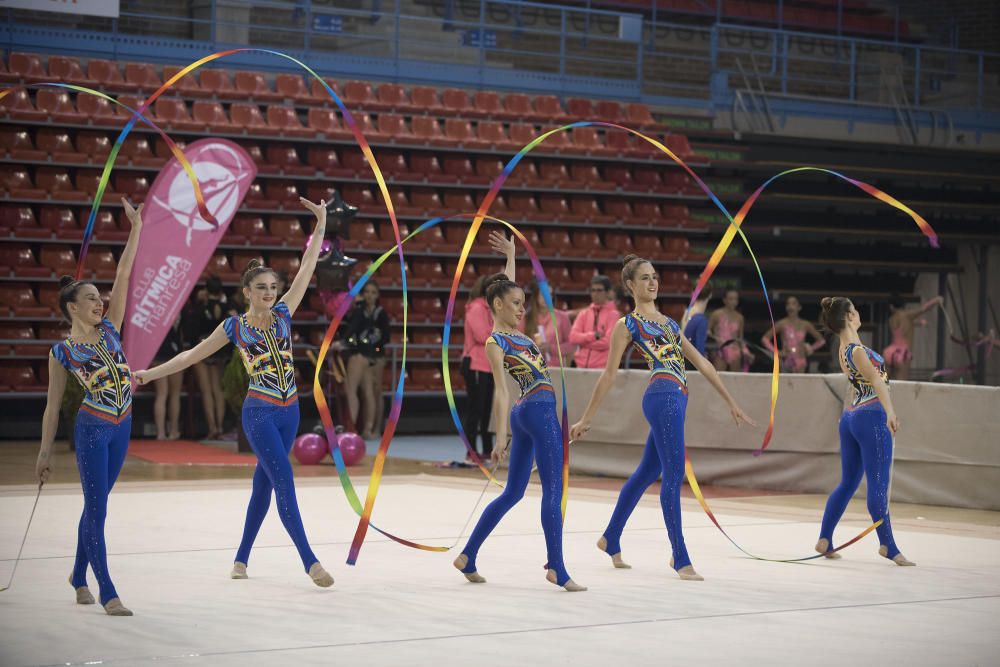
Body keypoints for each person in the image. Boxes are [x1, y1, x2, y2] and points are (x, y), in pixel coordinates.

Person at [134, 197, 336, 588]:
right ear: (246, 291)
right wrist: (148, 374)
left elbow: (308, 268)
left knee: (264, 484)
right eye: (261, 288)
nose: (269, 293)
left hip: (290, 411)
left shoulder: (283, 315)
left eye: (273, 287)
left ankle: (241, 558)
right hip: (259, 413)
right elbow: (191, 355)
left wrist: (322, 223)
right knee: (284, 480)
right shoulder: (234, 328)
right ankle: (310, 562)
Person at [570, 255, 755, 581]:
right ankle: (679, 556)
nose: (652, 282)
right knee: (672, 477)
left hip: (677, 397)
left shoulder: (670, 323)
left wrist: (731, 401)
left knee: (647, 472)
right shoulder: (627, 325)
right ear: (630, 286)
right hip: (662, 397)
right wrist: (586, 417)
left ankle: (610, 536)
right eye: (644, 278)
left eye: (655, 276)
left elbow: (702, 362)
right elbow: (608, 376)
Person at [35, 197, 144, 616]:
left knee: (97, 505)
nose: (101, 302)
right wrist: (45, 451)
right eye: (92, 299)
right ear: (72, 308)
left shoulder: (112, 327)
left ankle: (78, 574)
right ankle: (107, 590)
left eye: (101, 298)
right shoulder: (62, 351)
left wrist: (135, 229)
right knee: (97, 508)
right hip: (93, 428)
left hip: (123, 425)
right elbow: (50, 408)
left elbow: (124, 272)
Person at [453, 266, 586, 592]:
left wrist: (510, 257)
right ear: (497, 305)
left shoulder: (518, 335)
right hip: (537, 412)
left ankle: (468, 555)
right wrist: (498, 438)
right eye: (515, 303)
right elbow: (499, 390)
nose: (521, 308)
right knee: (553, 490)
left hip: (525, 413)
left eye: (522, 303)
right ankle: (556, 566)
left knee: (513, 492)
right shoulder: (496, 341)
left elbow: (503, 287)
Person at [815, 297, 914, 566]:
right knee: (878, 483)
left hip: (851, 417)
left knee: (848, 483)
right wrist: (891, 412)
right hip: (870, 416)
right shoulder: (857, 350)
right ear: (848, 316)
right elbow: (875, 381)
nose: (859, 315)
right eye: (855, 311)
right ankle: (888, 545)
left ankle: (824, 538)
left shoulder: (843, 348)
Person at [460, 231, 514, 462]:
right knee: (476, 409)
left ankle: (487, 447)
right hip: (475, 364)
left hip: (491, 364)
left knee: (489, 410)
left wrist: (511, 256)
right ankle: (471, 450)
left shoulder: (495, 310)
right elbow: (484, 334)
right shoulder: (476, 308)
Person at [343, 282, 390, 439]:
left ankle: (376, 428)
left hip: (377, 354)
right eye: (367, 292)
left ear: (378, 295)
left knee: (377, 391)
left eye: (373, 292)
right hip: (364, 354)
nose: (370, 295)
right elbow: (353, 333)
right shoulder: (360, 311)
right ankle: (366, 428)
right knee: (367, 390)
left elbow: (384, 339)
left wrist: (375, 353)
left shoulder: (380, 313)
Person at [188, 276, 230, 439]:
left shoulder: (199, 308)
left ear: (206, 290)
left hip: (203, 348)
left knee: (207, 391)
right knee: (218, 391)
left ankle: (212, 427)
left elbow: (192, 331)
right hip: (220, 350)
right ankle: (219, 427)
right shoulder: (227, 307)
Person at [883, 294, 944, 381]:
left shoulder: (891, 319)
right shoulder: (906, 315)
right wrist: (936, 300)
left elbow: (904, 326)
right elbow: (923, 309)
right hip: (902, 354)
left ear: (891, 306)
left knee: (885, 383)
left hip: (890, 352)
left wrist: (919, 323)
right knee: (902, 383)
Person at [760, 296, 825, 373]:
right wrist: (777, 352)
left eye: (793, 304)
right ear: (786, 307)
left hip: (801, 360)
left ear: (799, 307)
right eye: (788, 304)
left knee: (799, 384)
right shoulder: (781, 323)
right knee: (785, 384)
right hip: (786, 360)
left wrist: (810, 348)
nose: (790, 306)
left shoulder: (805, 324)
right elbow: (765, 339)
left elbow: (821, 340)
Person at [569, 275, 620, 369]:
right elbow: (573, 337)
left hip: (602, 369)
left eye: (599, 290)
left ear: (608, 292)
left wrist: (583, 343)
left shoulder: (614, 315)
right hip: (580, 367)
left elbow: (607, 342)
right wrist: (593, 336)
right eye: (593, 290)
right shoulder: (584, 313)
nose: (595, 293)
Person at [523, 280, 575, 368]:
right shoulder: (526, 318)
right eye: (543, 294)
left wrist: (551, 348)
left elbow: (571, 345)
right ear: (536, 296)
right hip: (531, 369)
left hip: (556, 369)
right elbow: (517, 345)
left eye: (549, 294)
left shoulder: (562, 317)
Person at [152, 315, 184, 440]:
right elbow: (182, 332)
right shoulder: (178, 304)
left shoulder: (158, 307)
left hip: (158, 350)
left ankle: (160, 433)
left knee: (162, 394)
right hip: (174, 350)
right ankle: (173, 430)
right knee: (174, 394)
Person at [709, 289, 754, 372]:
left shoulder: (740, 317)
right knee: (718, 376)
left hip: (735, 351)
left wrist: (746, 352)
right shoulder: (717, 314)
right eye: (731, 299)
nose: (733, 301)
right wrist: (716, 338)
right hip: (721, 349)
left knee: (735, 378)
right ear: (724, 300)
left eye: (735, 299)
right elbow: (707, 331)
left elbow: (740, 338)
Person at [682, 286, 712, 357]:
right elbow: (699, 350)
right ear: (710, 295)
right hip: (692, 361)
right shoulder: (700, 320)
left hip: (684, 357)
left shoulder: (687, 312)